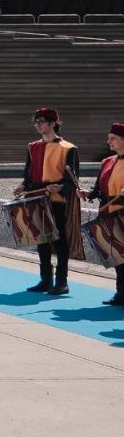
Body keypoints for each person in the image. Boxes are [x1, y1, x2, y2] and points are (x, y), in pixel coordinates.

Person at [14, 106, 82, 295]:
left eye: (42, 122)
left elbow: (72, 180)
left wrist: (60, 187)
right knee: (42, 240)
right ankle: (45, 280)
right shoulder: (33, 147)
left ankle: (62, 282)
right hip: (35, 197)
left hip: (56, 199)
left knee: (59, 240)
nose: (38, 125)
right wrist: (23, 186)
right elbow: (28, 174)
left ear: (53, 124)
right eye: (36, 122)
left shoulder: (69, 148)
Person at [79, 121, 124, 307]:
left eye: (113, 138)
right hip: (109, 214)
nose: (109, 141)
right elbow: (99, 189)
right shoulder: (107, 162)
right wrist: (88, 194)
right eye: (109, 138)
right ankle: (121, 293)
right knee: (118, 256)